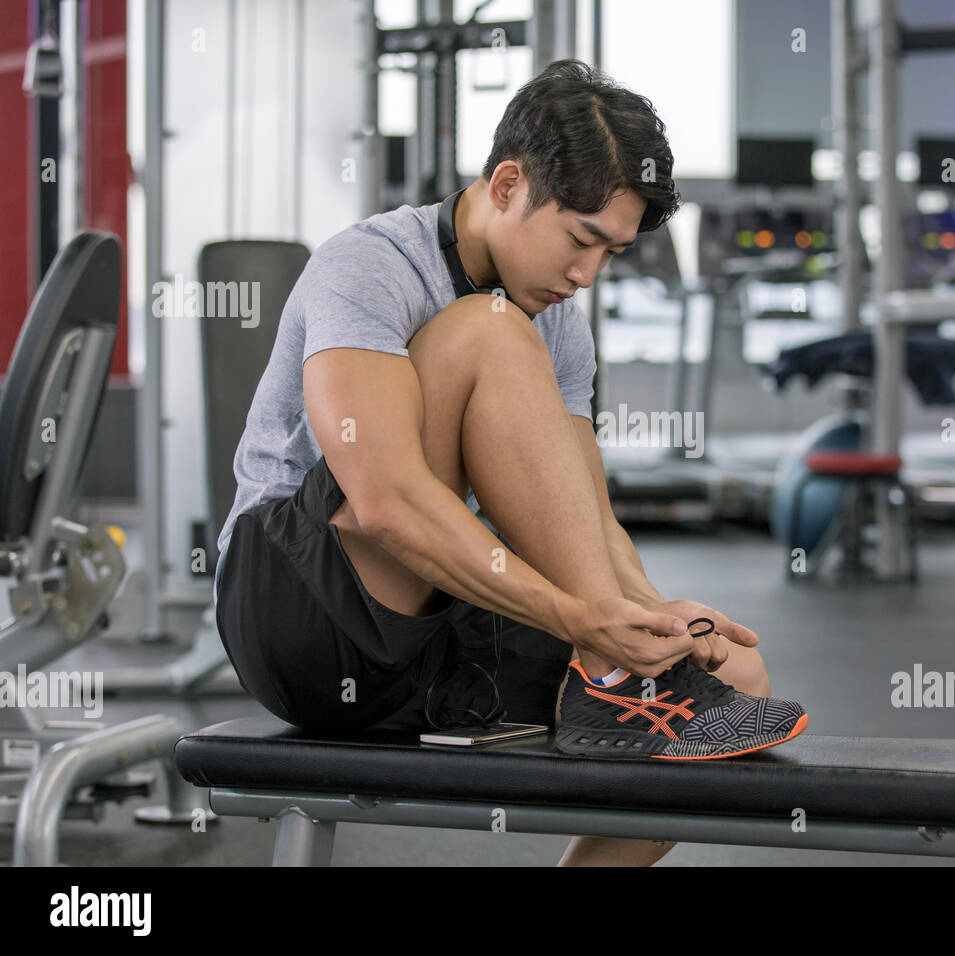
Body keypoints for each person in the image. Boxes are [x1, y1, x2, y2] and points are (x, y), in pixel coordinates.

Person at [213, 59, 808, 867]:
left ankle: (616, 682)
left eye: (611, 254)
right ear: (505, 185)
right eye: (580, 239)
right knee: (486, 328)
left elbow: (587, 517)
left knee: (735, 678)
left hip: (428, 625)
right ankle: (607, 676)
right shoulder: (372, 264)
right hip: (300, 611)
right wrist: (583, 625)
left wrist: (652, 623)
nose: (585, 274)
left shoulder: (556, 315)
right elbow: (384, 499)